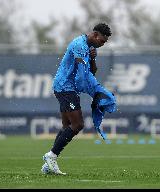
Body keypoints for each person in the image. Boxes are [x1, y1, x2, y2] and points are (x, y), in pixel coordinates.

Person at [42, 23, 113, 175]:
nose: (102, 44)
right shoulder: (79, 45)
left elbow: (92, 72)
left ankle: (49, 164)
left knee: (67, 125)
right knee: (78, 124)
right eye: (102, 41)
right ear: (95, 35)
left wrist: (93, 59)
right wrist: (89, 91)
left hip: (66, 88)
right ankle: (51, 156)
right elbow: (82, 75)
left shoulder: (90, 49)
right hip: (65, 87)